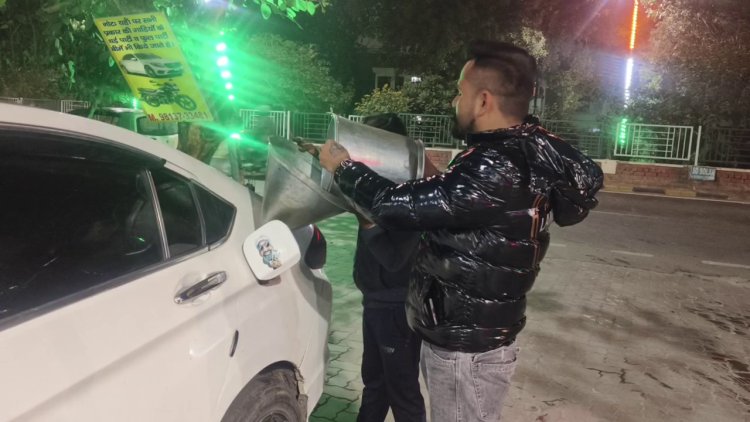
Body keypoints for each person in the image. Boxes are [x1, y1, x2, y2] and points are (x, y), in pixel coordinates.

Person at [318, 40, 603, 421]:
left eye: (460, 92)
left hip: (465, 351)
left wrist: (343, 167)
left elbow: (393, 205)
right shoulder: (519, 153)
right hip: (476, 339)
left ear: (483, 101)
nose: (455, 101)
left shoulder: (491, 168)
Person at [353, 113, 426, 422]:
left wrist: (368, 226)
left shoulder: (408, 194)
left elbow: (397, 261)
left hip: (397, 310)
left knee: (402, 392)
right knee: (375, 384)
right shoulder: (374, 186)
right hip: (375, 303)